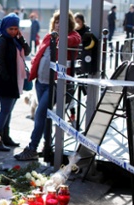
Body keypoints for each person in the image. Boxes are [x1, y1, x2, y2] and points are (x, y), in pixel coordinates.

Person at [14, 10, 81, 161]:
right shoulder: (49, 36)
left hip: (56, 84)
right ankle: (47, 146)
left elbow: (72, 40)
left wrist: (58, 37)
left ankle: (32, 148)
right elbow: (39, 55)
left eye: (62, 22)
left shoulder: (72, 36)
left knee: (39, 114)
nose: (58, 25)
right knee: (44, 117)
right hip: (41, 82)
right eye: (57, 22)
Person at [0, 13, 30, 151]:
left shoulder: (15, 40)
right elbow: (0, 62)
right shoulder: (1, 41)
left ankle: (6, 137)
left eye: (16, 28)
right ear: (5, 28)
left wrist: (22, 39)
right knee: (5, 111)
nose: (13, 31)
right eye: (11, 29)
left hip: (15, 80)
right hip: (6, 81)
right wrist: (7, 79)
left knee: (9, 111)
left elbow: (27, 51)